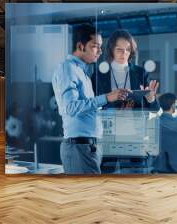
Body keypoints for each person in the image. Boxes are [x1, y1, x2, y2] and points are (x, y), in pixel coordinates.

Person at [52, 24, 129, 174]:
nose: (100, 51)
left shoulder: (82, 72)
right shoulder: (67, 68)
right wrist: (107, 97)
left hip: (88, 147)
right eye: (95, 46)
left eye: (100, 46)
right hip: (79, 147)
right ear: (81, 46)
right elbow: (70, 108)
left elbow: (87, 108)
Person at [91, 29, 159, 110]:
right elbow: (92, 104)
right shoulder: (98, 75)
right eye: (119, 49)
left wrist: (151, 99)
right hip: (108, 121)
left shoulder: (141, 73)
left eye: (128, 49)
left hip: (136, 122)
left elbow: (155, 109)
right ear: (111, 50)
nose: (124, 53)